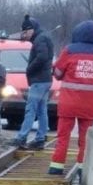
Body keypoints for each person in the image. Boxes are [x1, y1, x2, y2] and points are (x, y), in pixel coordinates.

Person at [47, 20, 93, 177]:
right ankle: (82, 168)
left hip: (68, 103)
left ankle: (56, 167)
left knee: (63, 136)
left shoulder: (69, 50)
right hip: (90, 104)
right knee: (85, 138)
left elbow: (58, 74)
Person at [14, 15, 54, 150]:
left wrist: (29, 69)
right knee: (42, 111)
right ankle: (40, 138)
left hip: (39, 80)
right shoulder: (43, 37)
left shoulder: (40, 39)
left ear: (31, 29)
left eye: (25, 32)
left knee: (30, 110)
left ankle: (21, 138)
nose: (24, 35)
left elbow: (42, 57)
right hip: (46, 80)